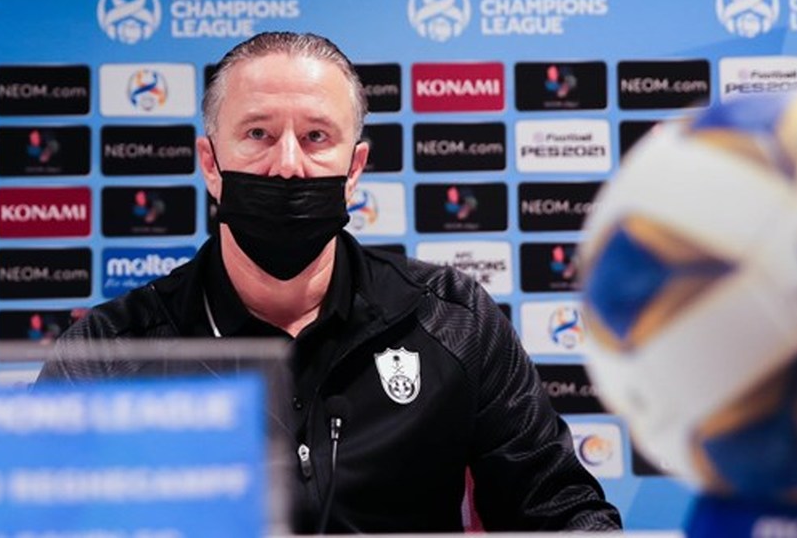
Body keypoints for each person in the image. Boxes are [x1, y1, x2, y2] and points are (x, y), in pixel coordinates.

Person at [38, 31, 622, 533]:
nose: (288, 165)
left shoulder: (451, 320)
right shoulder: (110, 355)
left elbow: (562, 510)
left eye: (316, 137)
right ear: (211, 164)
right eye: (258, 134)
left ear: (354, 169)